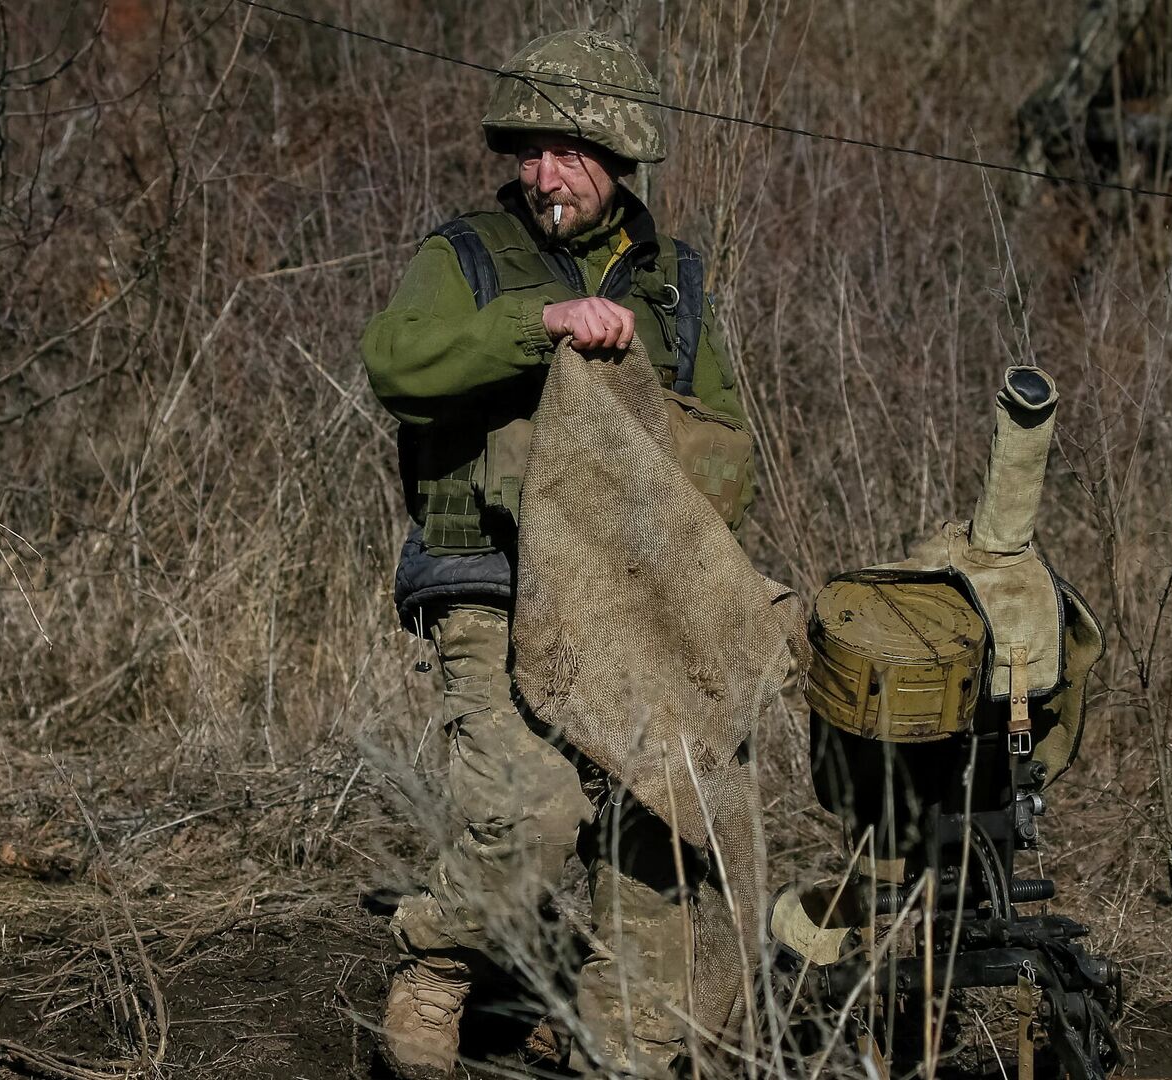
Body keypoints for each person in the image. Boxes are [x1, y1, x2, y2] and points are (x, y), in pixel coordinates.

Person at [360, 29, 756, 1079]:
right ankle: (436, 965)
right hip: (486, 578)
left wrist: (648, 414)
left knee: (657, 831)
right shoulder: (469, 255)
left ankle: (615, 1045)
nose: (543, 174)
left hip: (633, 602)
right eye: (529, 150)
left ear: (621, 156)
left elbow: (732, 461)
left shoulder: (674, 285)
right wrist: (542, 323)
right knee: (535, 811)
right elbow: (398, 365)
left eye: (569, 150)